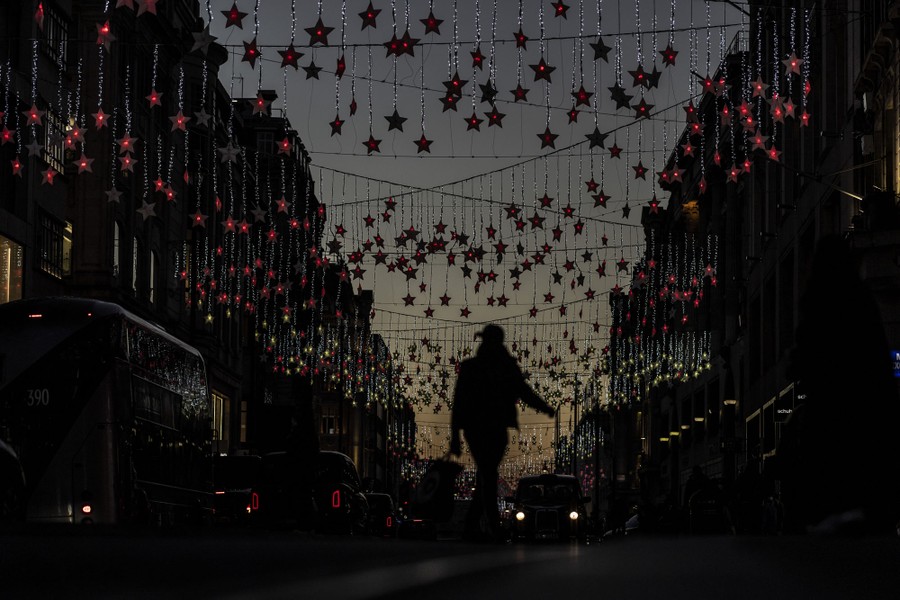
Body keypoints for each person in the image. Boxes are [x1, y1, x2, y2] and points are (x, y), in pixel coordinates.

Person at [782, 234, 900, 534]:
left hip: (828, 411)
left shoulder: (817, 303)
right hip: (865, 410)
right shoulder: (862, 300)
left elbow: (803, 357)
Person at [450, 324, 555, 541]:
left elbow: (523, 391)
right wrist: (454, 437)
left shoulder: (489, 367)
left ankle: (474, 525)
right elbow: (460, 402)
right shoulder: (493, 366)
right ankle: (492, 526)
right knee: (488, 474)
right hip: (484, 427)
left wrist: (543, 407)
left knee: (486, 475)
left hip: (486, 427)